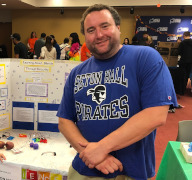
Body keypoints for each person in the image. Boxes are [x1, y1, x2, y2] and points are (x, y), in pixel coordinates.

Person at [57, 4, 177, 180]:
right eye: (90, 30)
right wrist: (93, 156)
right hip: (84, 169)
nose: (98, 35)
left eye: (105, 26)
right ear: (85, 36)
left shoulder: (145, 58)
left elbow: (156, 115)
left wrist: (102, 148)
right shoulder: (77, 72)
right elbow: (64, 120)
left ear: (118, 28)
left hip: (130, 172)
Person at [177, 31, 192, 96]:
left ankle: (181, 91)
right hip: (190, 62)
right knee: (187, 76)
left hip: (183, 61)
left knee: (181, 76)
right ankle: (185, 89)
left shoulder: (182, 43)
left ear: (184, 36)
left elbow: (179, 52)